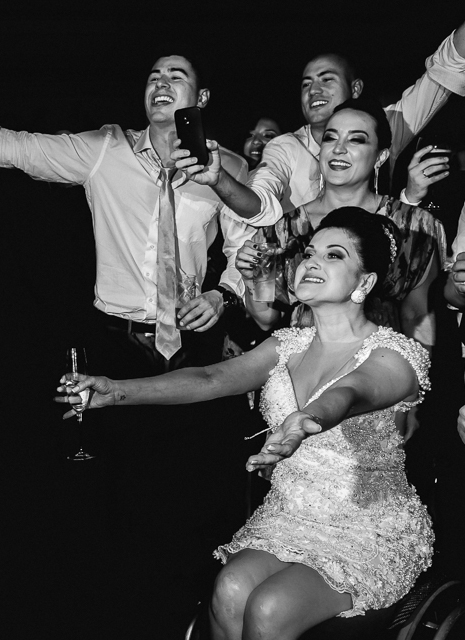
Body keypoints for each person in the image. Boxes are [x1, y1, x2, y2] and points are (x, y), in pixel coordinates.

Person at [0, 53, 254, 634]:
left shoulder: (226, 165)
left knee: (189, 494)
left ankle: (186, 612)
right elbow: (15, 147)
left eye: (176, 76)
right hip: (121, 345)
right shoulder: (106, 149)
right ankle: (117, 612)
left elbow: (249, 244)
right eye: (153, 75)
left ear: (201, 100)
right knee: (117, 496)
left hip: (194, 348)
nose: (161, 83)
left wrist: (223, 295)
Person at [58, 208, 433, 638]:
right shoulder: (287, 344)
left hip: (368, 527)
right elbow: (210, 378)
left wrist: (306, 419)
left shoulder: (396, 353)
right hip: (291, 518)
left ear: (364, 282)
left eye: (333, 255)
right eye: (309, 253)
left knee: (269, 608)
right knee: (229, 589)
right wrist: (116, 392)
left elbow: (351, 393)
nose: (311, 263)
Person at [188, 2, 465, 226]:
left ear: (355, 88)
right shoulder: (285, 147)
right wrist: (219, 180)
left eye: (326, 80)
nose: (313, 90)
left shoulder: (384, 126)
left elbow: (445, 71)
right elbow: (259, 203)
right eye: (306, 83)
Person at [230, 98, 446, 359]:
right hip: (305, 368)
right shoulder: (282, 230)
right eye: (330, 138)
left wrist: (414, 375)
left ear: (380, 156)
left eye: (356, 140)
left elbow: (418, 316)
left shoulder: (413, 226)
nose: (339, 149)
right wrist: (252, 277)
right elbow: (265, 318)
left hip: (381, 372)